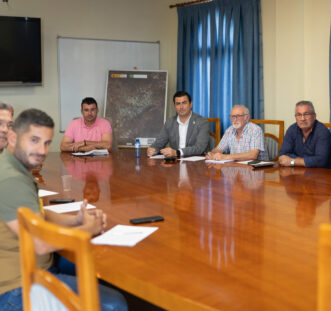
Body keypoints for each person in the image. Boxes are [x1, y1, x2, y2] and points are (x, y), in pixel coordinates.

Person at [0, 109, 127, 311]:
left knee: (99, 268)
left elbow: (37, 214)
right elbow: (40, 244)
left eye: (47, 143)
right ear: (14, 137)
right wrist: (88, 229)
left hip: (34, 268)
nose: (42, 150)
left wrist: (76, 220)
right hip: (17, 289)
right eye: (34, 140)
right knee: (115, 304)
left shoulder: (12, 165)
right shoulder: (11, 179)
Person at [147, 91, 209, 158]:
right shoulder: (169, 122)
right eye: (178, 104)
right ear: (174, 106)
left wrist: (177, 152)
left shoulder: (202, 122)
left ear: (191, 104)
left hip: (197, 164)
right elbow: (159, 143)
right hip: (175, 162)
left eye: (184, 103)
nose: (181, 107)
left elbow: (199, 147)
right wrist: (153, 149)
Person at [278, 101, 331, 169]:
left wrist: (292, 161)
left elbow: (320, 161)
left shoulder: (323, 132)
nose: (302, 119)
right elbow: (282, 155)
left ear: (314, 116)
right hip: (300, 172)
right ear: (295, 117)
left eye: (306, 114)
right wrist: (307, 161)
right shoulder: (292, 129)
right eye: (299, 115)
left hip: (324, 174)